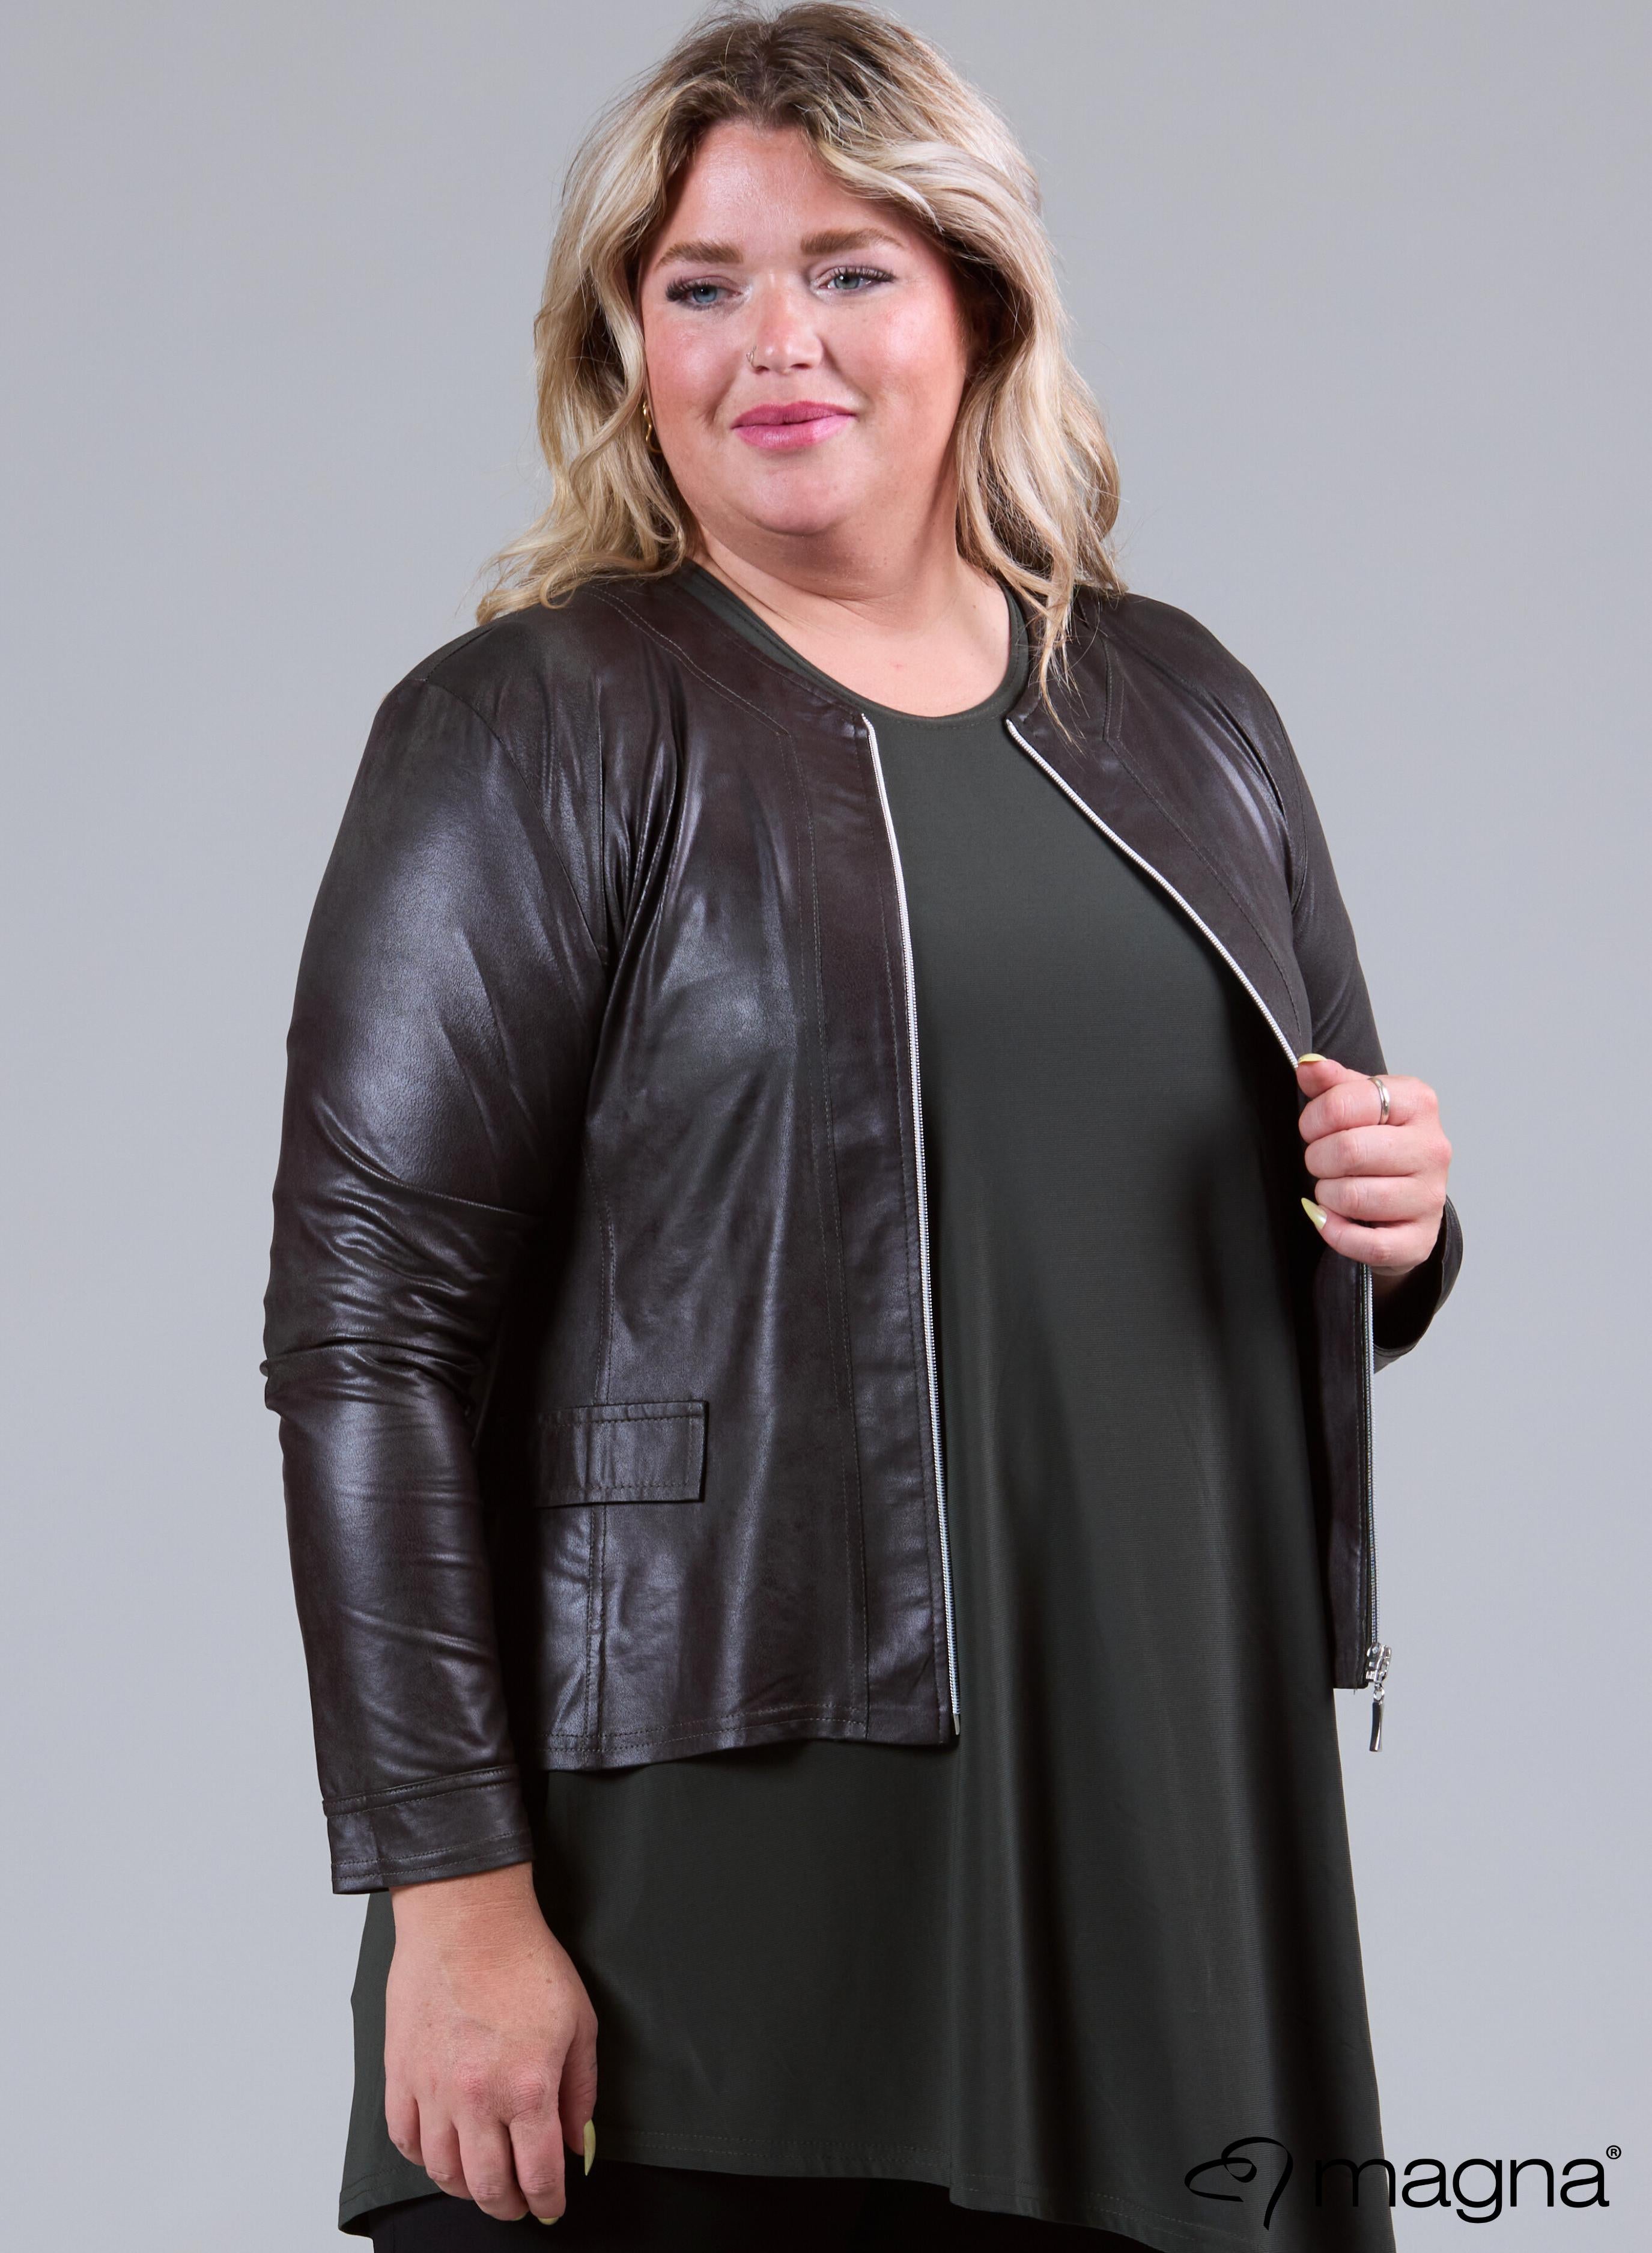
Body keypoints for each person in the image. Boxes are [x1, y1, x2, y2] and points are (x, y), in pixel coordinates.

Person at [263, 5, 1461, 2246]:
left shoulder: (1183, 709)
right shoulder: (531, 726)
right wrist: (454, 1901)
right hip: (712, 1894)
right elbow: (368, 1349)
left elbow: (1322, 1199)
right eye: (701, 284)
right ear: (628, 344)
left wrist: (1399, 1215)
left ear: (976, 305)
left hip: (1167, 1843)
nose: (776, 343)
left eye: (849, 269)